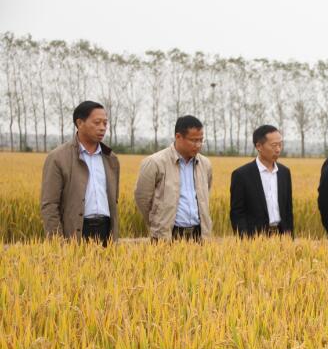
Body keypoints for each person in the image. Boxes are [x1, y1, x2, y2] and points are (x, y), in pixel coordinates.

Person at [41, 100, 120, 245]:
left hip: (106, 231)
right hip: (75, 232)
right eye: (97, 123)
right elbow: (50, 205)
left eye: (105, 123)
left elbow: (114, 201)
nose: (102, 128)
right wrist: (57, 243)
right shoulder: (58, 158)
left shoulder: (111, 159)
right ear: (79, 123)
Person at [134, 115, 213, 241]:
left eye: (201, 140)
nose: (198, 145)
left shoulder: (205, 164)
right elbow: (142, 198)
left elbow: (206, 193)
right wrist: (158, 223)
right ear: (178, 137)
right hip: (166, 236)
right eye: (193, 140)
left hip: (199, 235)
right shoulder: (155, 163)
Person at [230, 125, 293, 237]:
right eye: (274, 145)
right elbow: (237, 213)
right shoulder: (241, 175)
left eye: (280, 144)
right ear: (259, 146)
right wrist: (244, 239)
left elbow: (288, 210)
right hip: (255, 238)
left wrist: (290, 236)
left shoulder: (284, 172)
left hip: (282, 236)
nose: (278, 149)